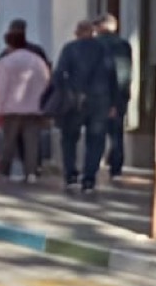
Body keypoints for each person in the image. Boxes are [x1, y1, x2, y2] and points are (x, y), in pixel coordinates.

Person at [48, 21, 115, 196]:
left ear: (77, 33)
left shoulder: (70, 49)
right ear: (92, 32)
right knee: (96, 140)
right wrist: (114, 103)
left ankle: (71, 175)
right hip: (100, 99)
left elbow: (59, 74)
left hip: (75, 99)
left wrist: (62, 93)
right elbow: (111, 75)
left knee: (69, 138)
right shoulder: (103, 49)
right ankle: (89, 179)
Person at [0, 23, 50, 185]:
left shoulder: (6, 61)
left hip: (12, 108)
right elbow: (46, 81)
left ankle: (4, 171)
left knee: (9, 142)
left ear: (9, 44)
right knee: (31, 142)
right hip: (34, 108)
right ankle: (31, 172)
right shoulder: (37, 61)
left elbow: (1, 87)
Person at [98, 13, 133, 181]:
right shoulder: (124, 45)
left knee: (97, 132)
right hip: (120, 94)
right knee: (117, 133)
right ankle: (116, 168)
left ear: (101, 27)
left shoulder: (96, 44)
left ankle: (95, 164)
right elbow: (126, 72)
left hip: (100, 94)